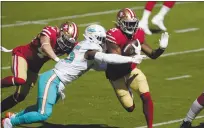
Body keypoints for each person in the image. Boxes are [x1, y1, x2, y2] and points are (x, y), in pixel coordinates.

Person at [2, 24, 146, 128]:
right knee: (43, 114)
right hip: (53, 79)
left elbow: (103, 65)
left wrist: (128, 64)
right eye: (102, 39)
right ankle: (9, 123)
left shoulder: (86, 47)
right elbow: (105, 58)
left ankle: (13, 117)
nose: (104, 43)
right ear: (94, 37)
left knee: (40, 108)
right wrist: (129, 59)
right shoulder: (90, 49)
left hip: (57, 82)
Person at [105, 8, 169, 128]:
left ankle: (150, 126)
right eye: (128, 24)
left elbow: (153, 55)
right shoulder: (113, 35)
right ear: (120, 23)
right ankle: (127, 89)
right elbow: (116, 59)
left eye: (133, 24)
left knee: (146, 96)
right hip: (116, 74)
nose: (131, 27)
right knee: (130, 108)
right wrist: (131, 54)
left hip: (131, 70)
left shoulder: (138, 33)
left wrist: (161, 49)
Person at [1, 21, 79, 112]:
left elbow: (81, 51)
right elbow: (45, 45)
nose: (66, 44)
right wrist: (56, 59)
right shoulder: (51, 31)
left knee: (20, 96)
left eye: (69, 42)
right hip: (22, 55)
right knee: (20, 79)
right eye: (65, 39)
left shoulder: (68, 45)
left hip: (34, 68)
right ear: (61, 31)